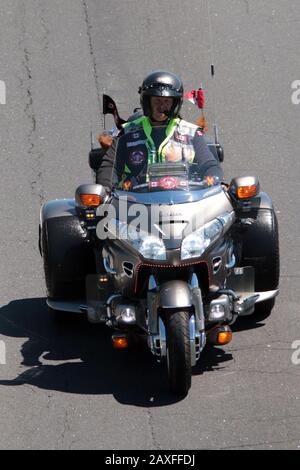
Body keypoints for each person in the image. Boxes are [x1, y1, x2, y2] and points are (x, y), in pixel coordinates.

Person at [96, 70, 223, 189]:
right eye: (157, 101)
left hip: (185, 202)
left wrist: (212, 181)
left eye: (167, 101)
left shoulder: (192, 133)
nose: (161, 106)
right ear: (147, 102)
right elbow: (109, 166)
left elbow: (209, 165)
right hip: (136, 203)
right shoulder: (127, 133)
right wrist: (106, 191)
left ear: (175, 104)